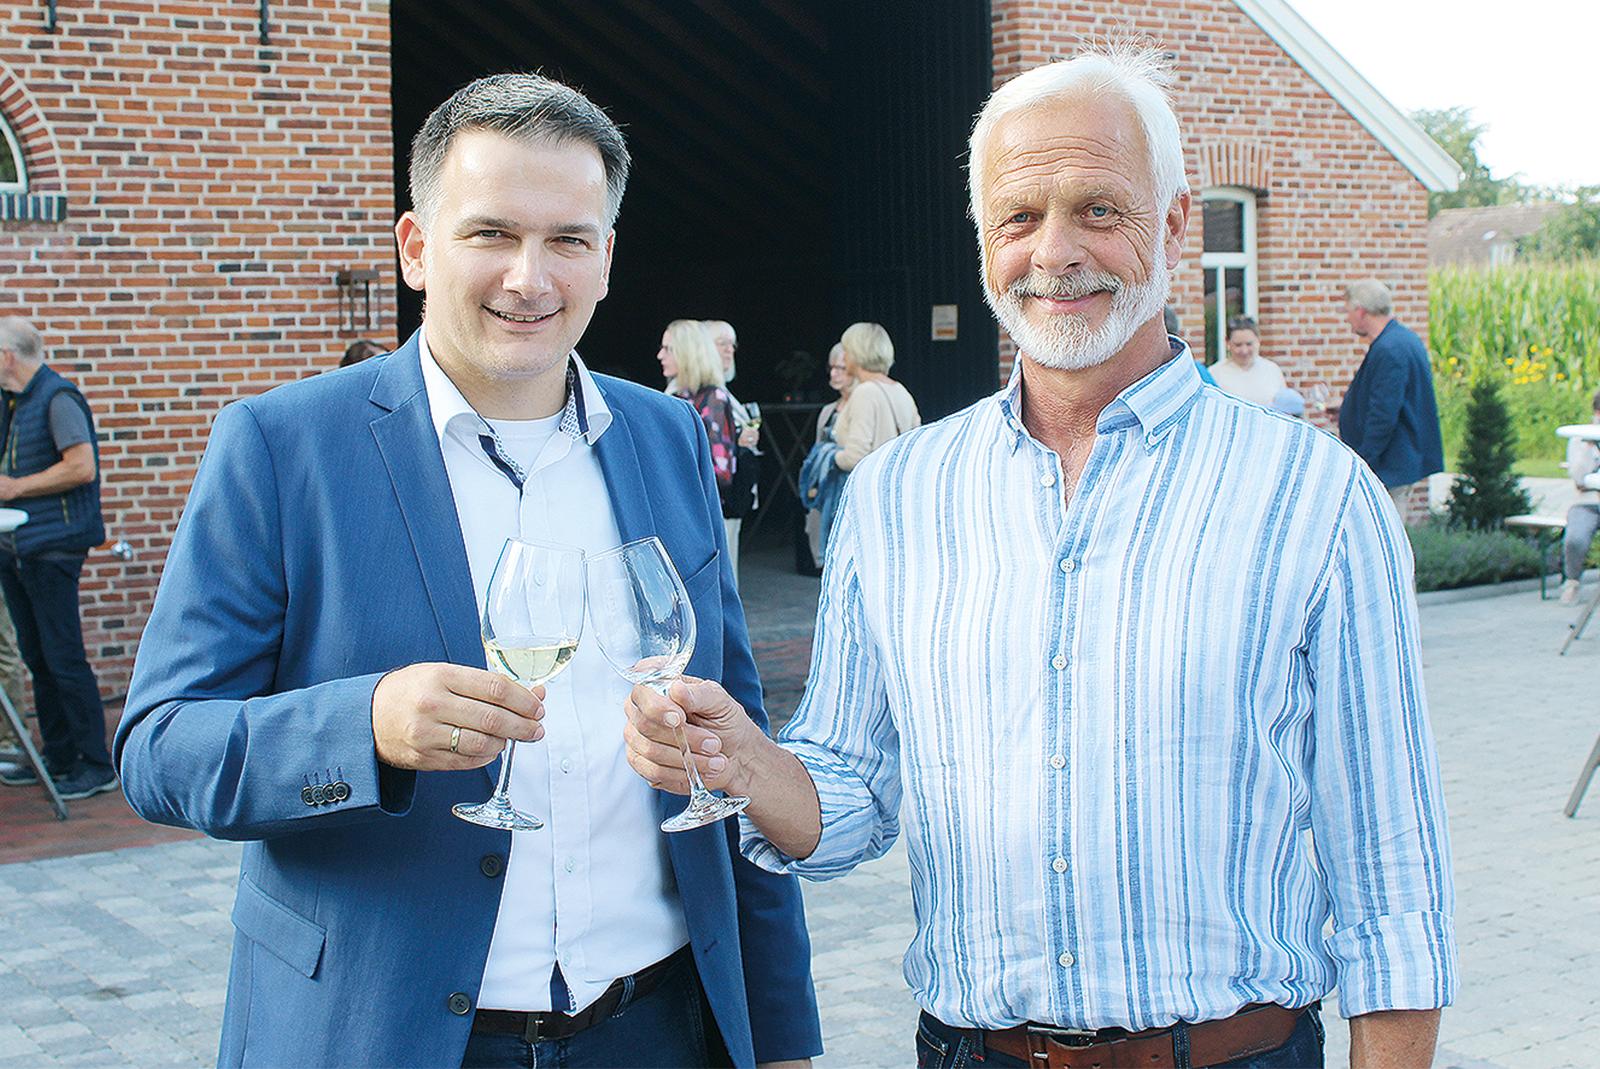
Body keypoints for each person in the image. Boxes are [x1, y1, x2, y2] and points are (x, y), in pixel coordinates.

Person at [623, 47, 1455, 1069]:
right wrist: (746, 763)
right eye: (1018, 217)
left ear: (1175, 223)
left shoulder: (1315, 498)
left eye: (1098, 209)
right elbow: (851, 795)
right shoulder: (896, 497)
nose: (1054, 252)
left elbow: (1391, 873)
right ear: (984, 241)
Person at [116, 74, 820, 1069]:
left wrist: (781, 1038)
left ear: (606, 258)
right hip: (383, 1036)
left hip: (658, 1028)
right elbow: (158, 748)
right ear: (416, 247)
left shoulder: (664, 436)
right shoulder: (281, 446)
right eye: (491, 232)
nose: (530, 277)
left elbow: (731, 746)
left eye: (568, 239)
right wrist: (364, 726)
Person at [0, 317, 113, 801]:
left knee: (63, 658)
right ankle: (60, 756)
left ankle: (95, 763)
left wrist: (16, 488)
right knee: (38, 657)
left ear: (7, 356)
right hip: (18, 548)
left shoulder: (57, 397)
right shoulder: (15, 401)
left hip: (52, 547)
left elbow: (81, 466)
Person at [1336, 279, 1445, 518]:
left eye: (1348, 312)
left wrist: (1363, 462)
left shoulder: (1390, 349)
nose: (1348, 319)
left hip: (1389, 465)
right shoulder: (1403, 339)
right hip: (1394, 461)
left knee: (1384, 533)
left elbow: (1384, 413)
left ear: (1361, 311)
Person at [659, 319, 749, 577]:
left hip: (701, 518)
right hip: (677, 514)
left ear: (687, 353)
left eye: (668, 349)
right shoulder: (676, 396)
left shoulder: (712, 397)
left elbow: (721, 471)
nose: (660, 355)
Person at [830, 322, 919, 472]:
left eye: (846, 350)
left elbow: (854, 458)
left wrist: (829, 456)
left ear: (857, 353)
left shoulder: (865, 392)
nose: (843, 357)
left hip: (868, 481)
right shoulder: (901, 391)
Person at [798, 343, 852, 572]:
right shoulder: (828, 411)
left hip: (846, 489)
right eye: (832, 368)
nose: (834, 374)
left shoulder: (863, 408)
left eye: (841, 368)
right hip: (824, 490)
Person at [1559, 389, 1600, 605]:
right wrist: (1588, 447)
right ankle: (1572, 582)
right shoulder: (1580, 437)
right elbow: (1578, 477)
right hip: (1587, 502)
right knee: (1576, 538)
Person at [1209, 316, 1286, 406]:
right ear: (1227, 342)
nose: (1244, 351)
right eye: (1238, 345)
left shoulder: (1272, 370)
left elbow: (1285, 408)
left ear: (1258, 340)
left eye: (1249, 344)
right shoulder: (1214, 373)